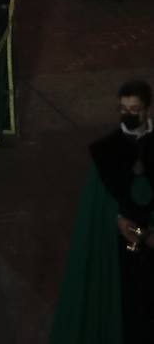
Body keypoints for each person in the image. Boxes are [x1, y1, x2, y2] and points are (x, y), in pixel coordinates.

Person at [50, 78, 154, 344]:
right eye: (123, 109)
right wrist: (117, 220)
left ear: (147, 110)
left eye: (135, 110)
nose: (129, 115)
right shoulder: (105, 152)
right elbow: (96, 205)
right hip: (118, 249)